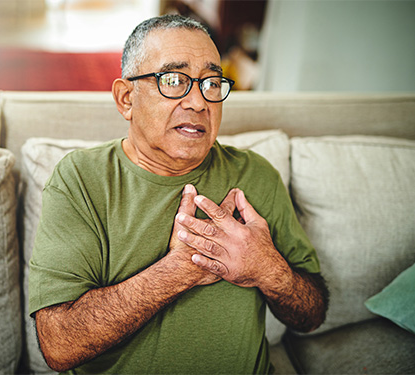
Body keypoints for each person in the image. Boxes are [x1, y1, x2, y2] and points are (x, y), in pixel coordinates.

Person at [29, 14, 329, 374]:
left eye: (212, 83)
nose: (199, 102)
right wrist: (178, 271)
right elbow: (58, 346)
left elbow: (312, 314)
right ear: (126, 98)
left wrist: (267, 269)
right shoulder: (80, 178)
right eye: (174, 80)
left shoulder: (256, 175)